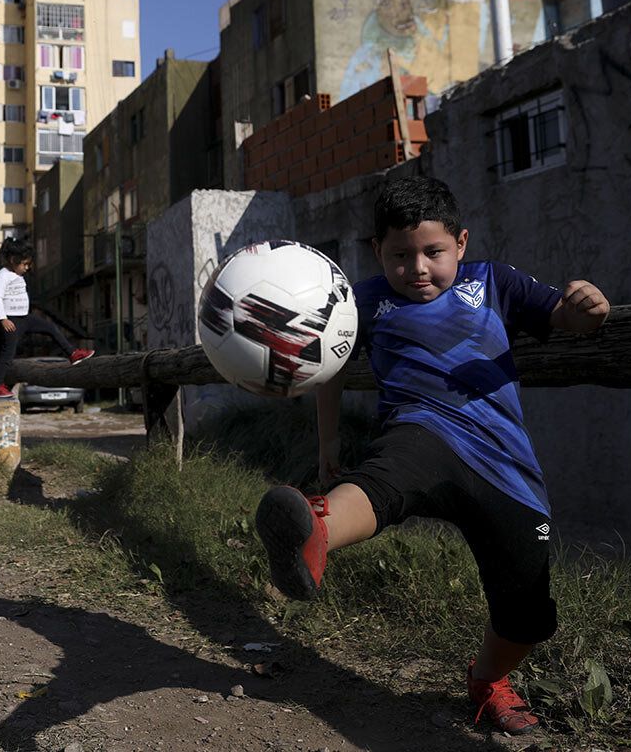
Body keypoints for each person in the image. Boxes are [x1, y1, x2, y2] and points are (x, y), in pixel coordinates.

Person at [255, 175, 609, 735]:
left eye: (432, 252)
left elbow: (565, 316)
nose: (417, 268)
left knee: (529, 614)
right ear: (377, 252)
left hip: (507, 466)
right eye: (399, 255)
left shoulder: (494, 282)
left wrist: (588, 304)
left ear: (461, 244)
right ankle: (314, 531)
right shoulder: (363, 301)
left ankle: (488, 679)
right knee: (383, 483)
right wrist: (328, 446)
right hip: (421, 433)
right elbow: (331, 365)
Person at [0, 239, 94, 396]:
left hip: (26, 318)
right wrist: (3, 318)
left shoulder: (17, 275)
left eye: (28, 264)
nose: (27, 268)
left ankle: (73, 354)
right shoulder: (2, 275)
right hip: (11, 321)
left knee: (51, 328)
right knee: (8, 353)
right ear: (13, 260)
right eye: (24, 264)